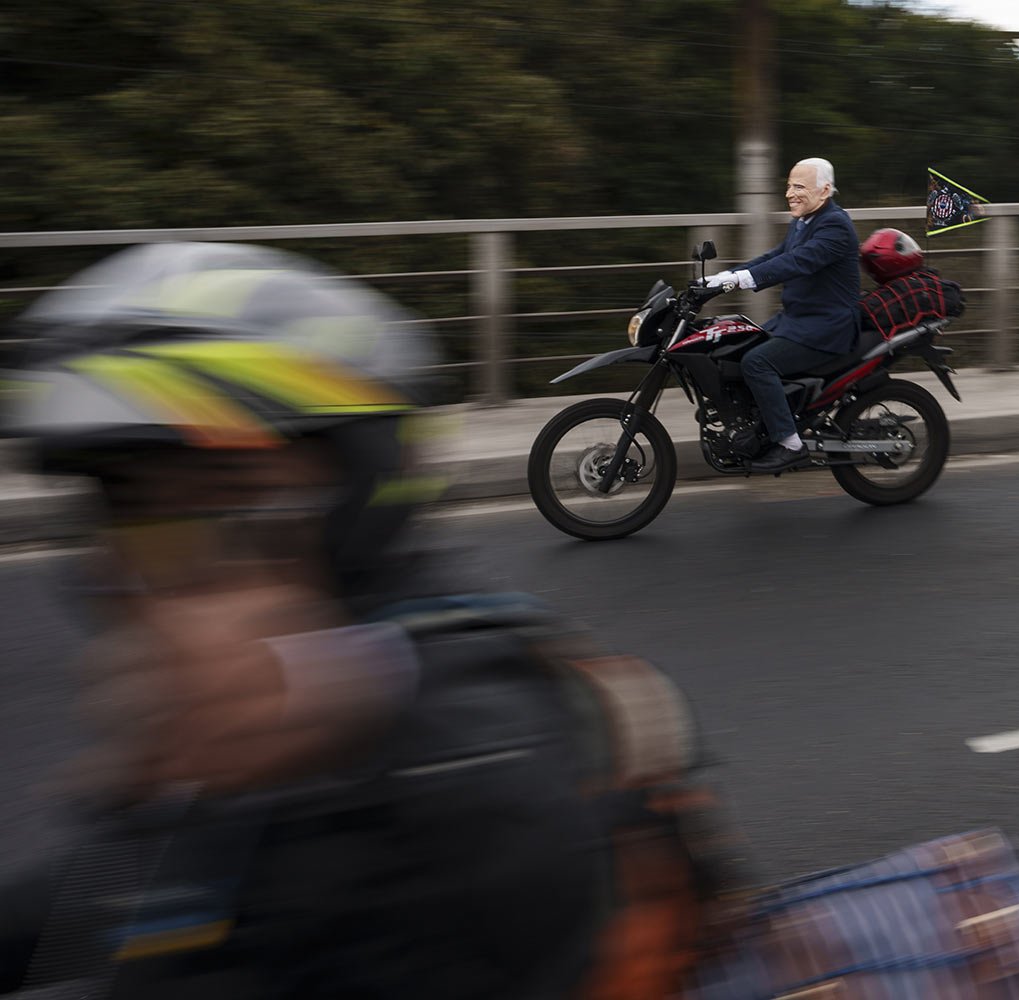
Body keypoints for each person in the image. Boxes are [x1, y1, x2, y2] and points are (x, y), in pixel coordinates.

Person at [0, 242, 728, 999]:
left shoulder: (466, 762)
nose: (133, 569)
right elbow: (125, 893)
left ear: (346, 502)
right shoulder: (242, 734)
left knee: (762, 364)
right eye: (124, 512)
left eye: (210, 500)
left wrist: (346, 704)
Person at [705, 157, 860, 473]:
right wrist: (721, 279)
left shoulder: (835, 225)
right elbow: (774, 256)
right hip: (797, 320)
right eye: (789, 185)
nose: (790, 193)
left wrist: (742, 280)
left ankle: (790, 445)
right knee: (738, 346)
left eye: (799, 186)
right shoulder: (804, 220)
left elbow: (798, 262)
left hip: (825, 327)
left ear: (825, 190)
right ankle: (758, 424)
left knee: (757, 363)